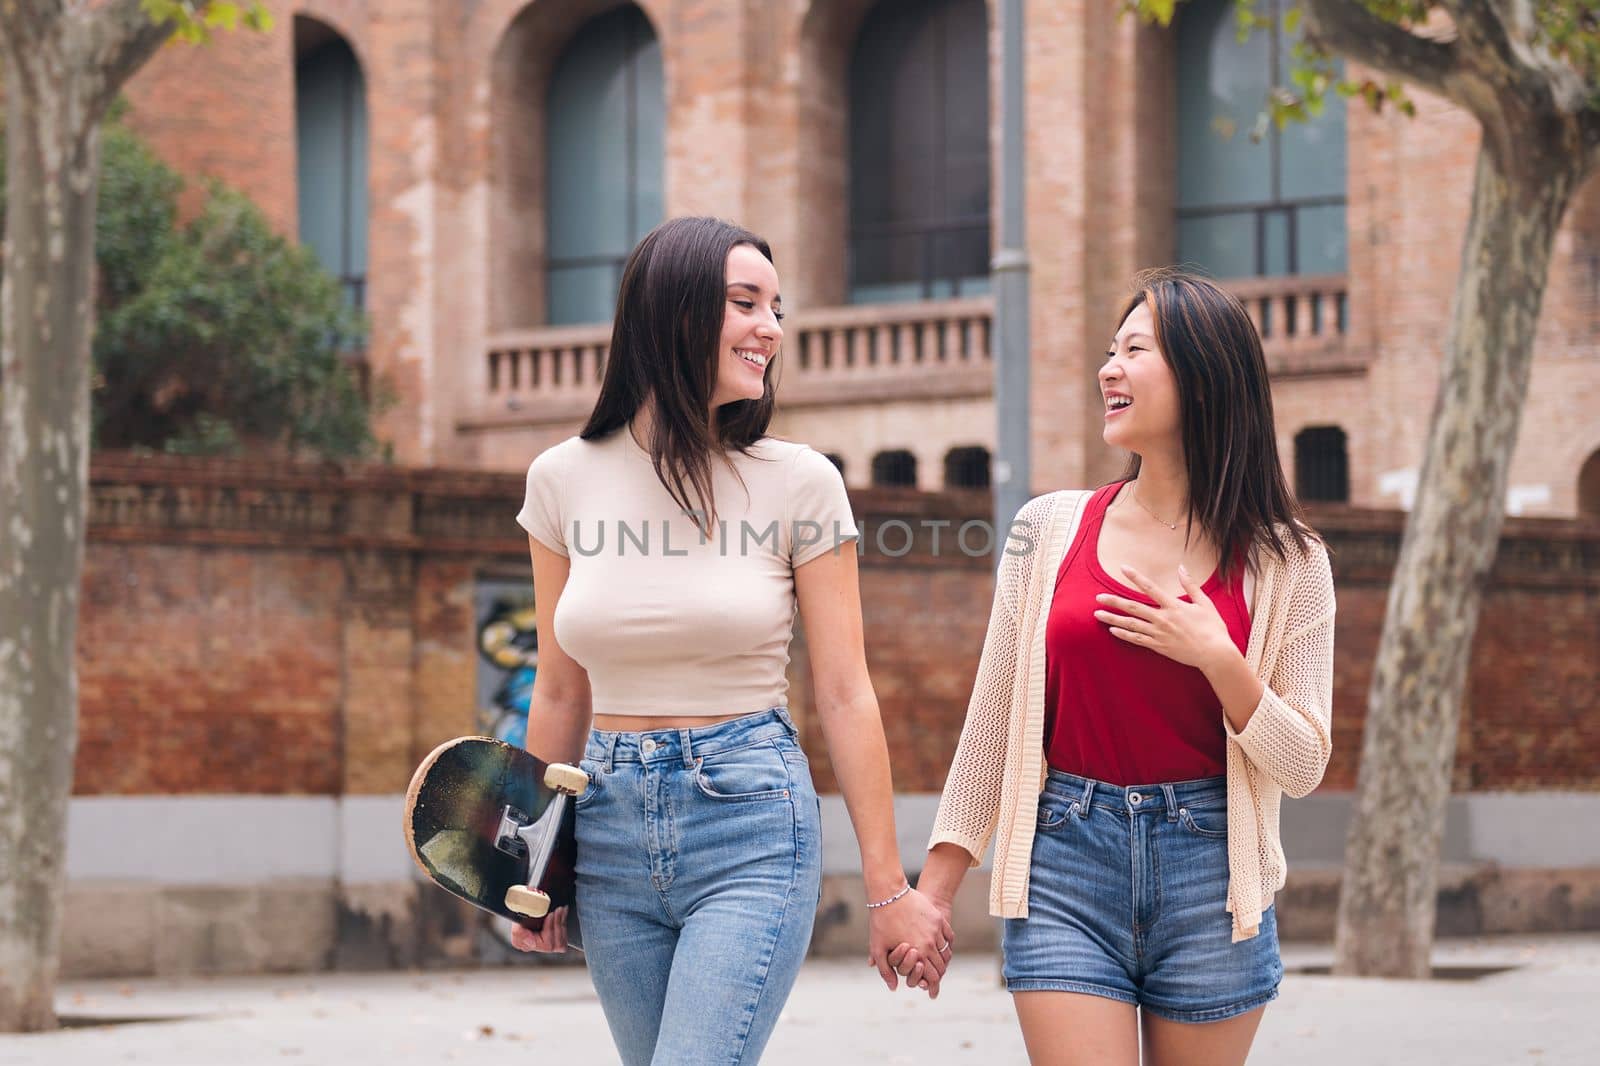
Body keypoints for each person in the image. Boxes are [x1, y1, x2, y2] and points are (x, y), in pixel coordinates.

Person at [509, 216, 953, 1065]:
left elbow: (845, 690)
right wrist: (537, 861)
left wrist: (888, 886)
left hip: (747, 817)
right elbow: (561, 689)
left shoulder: (800, 482)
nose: (772, 330)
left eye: (777, 308)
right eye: (746, 304)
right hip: (605, 827)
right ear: (671, 313)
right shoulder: (562, 478)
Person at [914, 269, 1336, 1065]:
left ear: (1206, 377)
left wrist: (1219, 658)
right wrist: (931, 895)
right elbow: (993, 723)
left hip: (1214, 876)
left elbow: (1305, 763)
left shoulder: (1292, 562)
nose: (1108, 369)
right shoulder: (1046, 528)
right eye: (1110, 351)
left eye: (1135, 351)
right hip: (1066, 856)